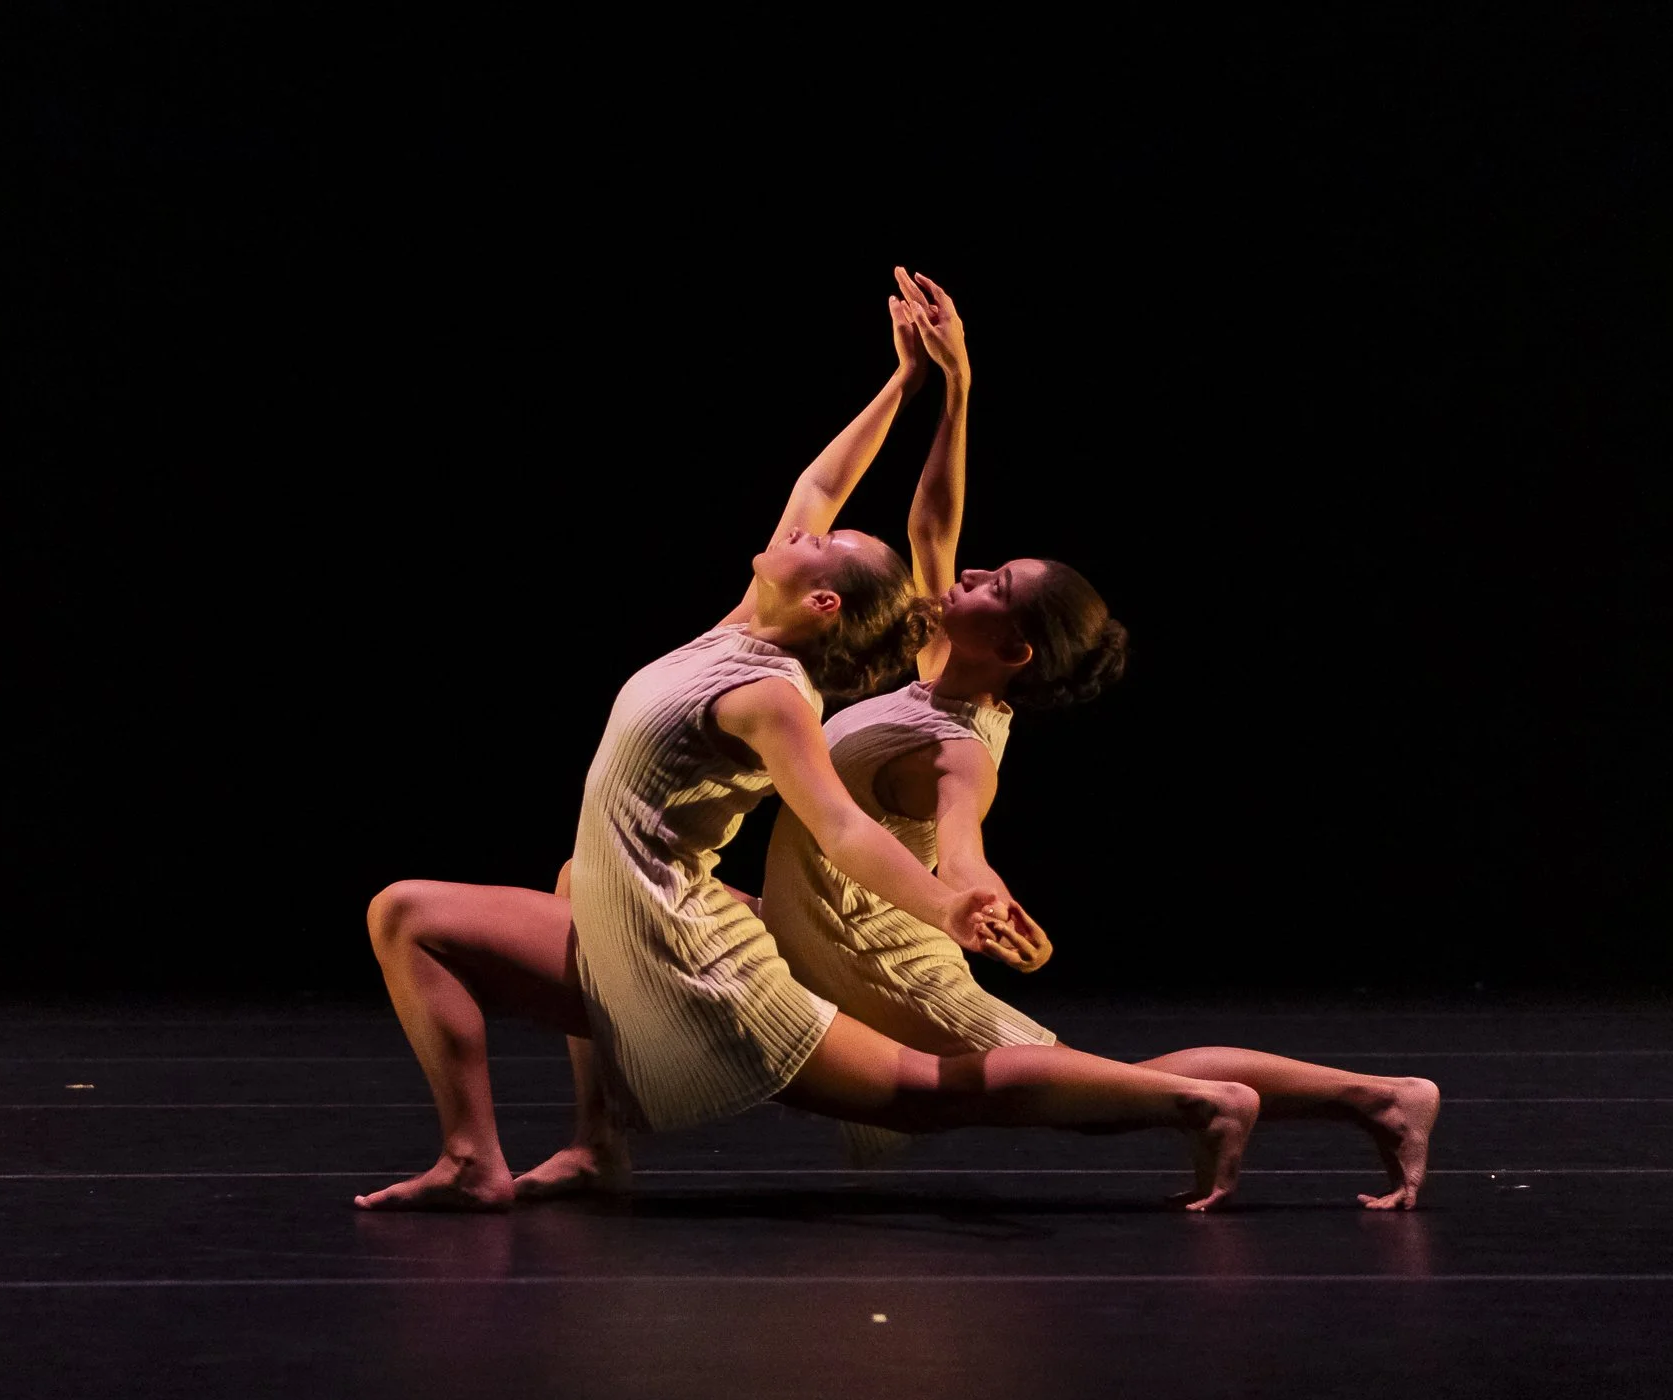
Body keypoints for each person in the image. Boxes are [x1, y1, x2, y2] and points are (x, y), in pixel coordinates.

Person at [356, 281, 1260, 1214]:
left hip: (697, 949)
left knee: (929, 1092)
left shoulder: (775, 697)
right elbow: (829, 488)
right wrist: (912, 381)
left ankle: (1205, 1099)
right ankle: (593, 1146)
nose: (804, 528)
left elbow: (844, 828)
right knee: (568, 878)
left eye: (823, 542)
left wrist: (950, 903)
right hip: (660, 905)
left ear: (822, 599)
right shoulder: (743, 626)